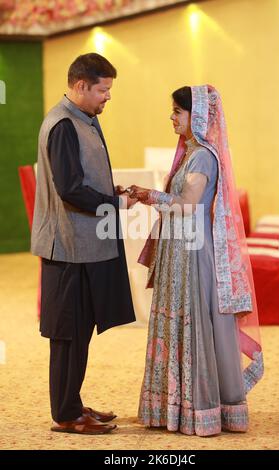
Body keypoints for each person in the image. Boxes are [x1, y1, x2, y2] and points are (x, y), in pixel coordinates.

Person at [129, 85, 264, 437]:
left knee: (193, 324)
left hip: (192, 251)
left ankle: (199, 408)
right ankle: (172, 407)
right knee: (177, 323)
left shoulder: (203, 155)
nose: (172, 117)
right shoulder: (190, 152)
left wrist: (148, 195)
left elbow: (188, 203)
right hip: (179, 248)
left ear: (198, 116)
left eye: (178, 111)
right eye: (172, 111)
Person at [31, 53, 136, 435]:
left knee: (80, 330)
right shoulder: (62, 125)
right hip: (68, 249)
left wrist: (111, 192)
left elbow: (84, 178)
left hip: (85, 245)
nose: (107, 97)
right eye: (102, 90)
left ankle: (72, 403)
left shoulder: (84, 119)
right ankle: (65, 415)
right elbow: (71, 189)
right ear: (80, 86)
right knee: (67, 333)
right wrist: (115, 203)